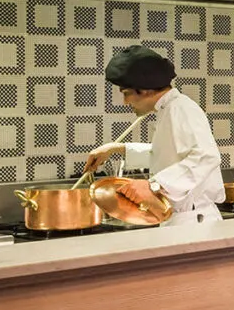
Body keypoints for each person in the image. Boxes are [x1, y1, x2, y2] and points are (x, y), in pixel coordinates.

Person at [85, 46, 225, 229]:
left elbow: (207, 157)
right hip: (181, 220)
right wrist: (117, 149)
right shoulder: (168, 109)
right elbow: (168, 155)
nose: (125, 102)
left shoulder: (181, 109)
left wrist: (154, 185)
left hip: (193, 223)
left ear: (145, 90)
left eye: (126, 94)